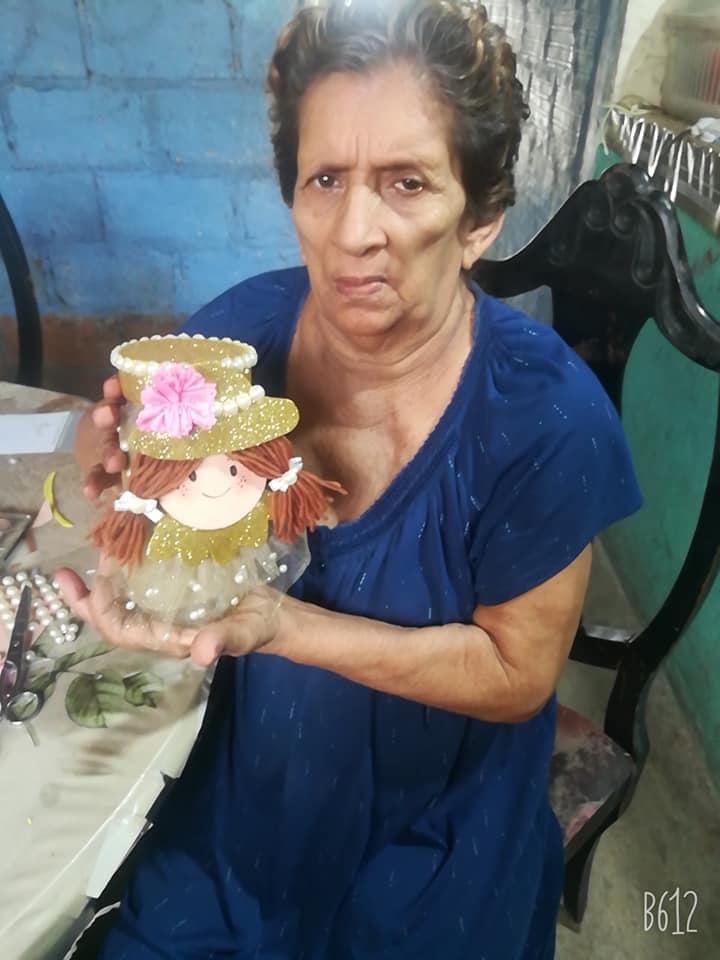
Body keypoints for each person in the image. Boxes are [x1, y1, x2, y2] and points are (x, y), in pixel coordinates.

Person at [58, 1, 642, 957]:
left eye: (407, 183)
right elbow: (156, 495)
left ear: (479, 221)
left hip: (436, 840)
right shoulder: (235, 345)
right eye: (324, 179)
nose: (353, 230)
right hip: (251, 795)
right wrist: (128, 484)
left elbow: (514, 675)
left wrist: (285, 627)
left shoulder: (544, 422)